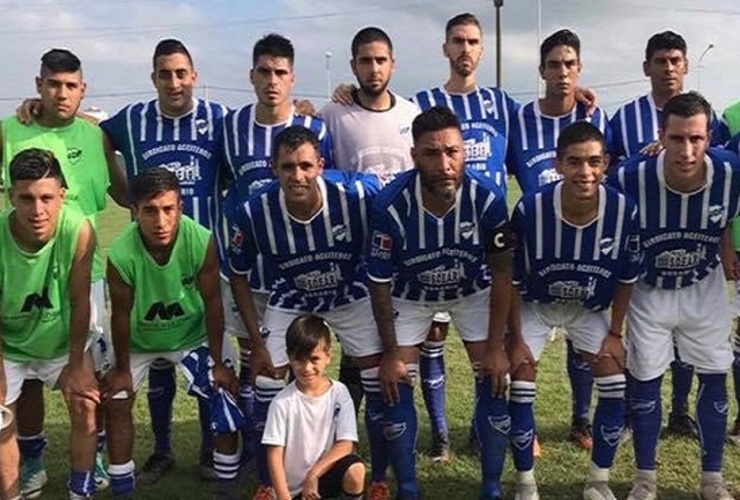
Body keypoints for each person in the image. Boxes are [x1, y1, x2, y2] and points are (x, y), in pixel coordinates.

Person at [99, 38, 231, 483]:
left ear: (194, 75)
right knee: (157, 360)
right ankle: (162, 450)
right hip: (149, 257)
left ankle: (215, 449)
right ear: (152, 78)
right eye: (163, 74)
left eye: (181, 73)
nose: (173, 82)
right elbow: (93, 133)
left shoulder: (219, 119)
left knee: (208, 354)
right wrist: (124, 193)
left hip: (204, 255)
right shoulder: (134, 120)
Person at [227, 126, 382, 500]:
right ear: (273, 169)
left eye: (306, 166)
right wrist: (255, 343)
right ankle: (269, 482)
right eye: (287, 167)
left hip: (349, 292)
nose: (297, 175)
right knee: (265, 378)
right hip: (292, 293)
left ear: (321, 166)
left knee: (379, 377)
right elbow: (238, 275)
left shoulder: (356, 195)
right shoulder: (253, 211)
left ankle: (379, 477)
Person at [366, 106, 513, 500]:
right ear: (414, 156)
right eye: (432, 153)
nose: (444, 163)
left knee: (496, 379)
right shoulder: (389, 205)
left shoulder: (488, 199)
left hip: (470, 292)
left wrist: (498, 348)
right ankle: (409, 489)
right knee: (395, 381)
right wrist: (393, 351)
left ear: (465, 151)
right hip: (411, 295)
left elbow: (502, 274)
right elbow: (379, 283)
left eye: (452, 151)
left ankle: (492, 488)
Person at [1, 48, 128, 498]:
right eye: (52, 84)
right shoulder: (11, 130)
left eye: (70, 85)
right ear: (38, 85)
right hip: (21, 269)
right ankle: (32, 459)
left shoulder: (95, 136)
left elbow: (122, 190)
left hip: (83, 270)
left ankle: (87, 459)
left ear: (83, 90)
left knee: (83, 373)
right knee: (27, 373)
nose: (61, 93)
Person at [608, 91, 740, 500]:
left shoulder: (732, 173)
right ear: (660, 136)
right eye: (677, 138)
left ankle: (712, 481)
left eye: (696, 139)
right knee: (645, 376)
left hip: (704, 283)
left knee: (715, 371)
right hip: (650, 288)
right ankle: (645, 480)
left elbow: (722, 218)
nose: (687, 150)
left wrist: (726, 247)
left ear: (710, 138)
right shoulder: (631, 176)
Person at [221, 33, 335, 474]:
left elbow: (333, 185)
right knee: (257, 359)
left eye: (281, 73)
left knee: (309, 359)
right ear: (252, 76)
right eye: (264, 72)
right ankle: (259, 449)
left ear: (293, 78)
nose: (272, 80)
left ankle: (314, 446)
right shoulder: (229, 126)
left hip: (303, 273)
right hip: (251, 270)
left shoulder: (319, 129)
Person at [609, 31, 731, 442]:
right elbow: (610, 172)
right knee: (647, 345)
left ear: (686, 65)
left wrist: (727, 245)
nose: (668, 68)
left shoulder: (707, 116)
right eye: (660, 61)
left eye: (675, 60)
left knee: (692, 338)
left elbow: (722, 187)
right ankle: (634, 416)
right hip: (648, 252)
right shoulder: (624, 117)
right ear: (648, 67)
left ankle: (680, 411)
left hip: (696, 250)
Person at [508, 122, 639, 500]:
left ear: (607, 164)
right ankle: (525, 485)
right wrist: (514, 339)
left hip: (588, 308)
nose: (585, 172)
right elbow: (513, 279)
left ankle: (597, 483)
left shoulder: (622, 209)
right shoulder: (532, 207)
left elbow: (628, 277)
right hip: (538, 304)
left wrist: (615, 333)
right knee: (521, 379)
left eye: (594, 162)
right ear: (558, 164)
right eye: (575, 162)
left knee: (615, 384)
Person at [104, 168, 241, 499]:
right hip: (138, 340)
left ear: (180, 206)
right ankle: (123, 490)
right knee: (117, 399)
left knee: (223, 392)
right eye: (150, 211)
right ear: (134, 211)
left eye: (168, 209)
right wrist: (122, 369)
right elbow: (120, 315)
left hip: (192, 335)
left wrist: (220, 362)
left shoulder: (200, 239)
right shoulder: (120, 253)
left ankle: (226, 489)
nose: (161, 221)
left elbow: (212, 304)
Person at [505, 28, 611, 452]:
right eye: (554, 65)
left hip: (585, 251)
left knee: (582, 342)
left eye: (570, 65)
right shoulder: (520, 119)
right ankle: (519, 428)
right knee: (523, 346)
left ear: (579, 69)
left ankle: (580, 421)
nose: (562, 73)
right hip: (536, 254)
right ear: (541, 70)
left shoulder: (595, 118)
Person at [0, 148, 98, 500]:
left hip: (61, 339)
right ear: (11, 195)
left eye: (46, 198)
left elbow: (79, 300)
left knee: (86, 403)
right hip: (8, 344)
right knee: (0, 420)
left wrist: (76, 364)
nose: (37, 210)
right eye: (25, 198)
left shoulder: (78, 230)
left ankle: (80, 490)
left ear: (62, 195)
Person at [263, 314, 365, 500]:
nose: (307, 367)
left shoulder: (339, 393)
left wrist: (314, 474)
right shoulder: (282, 402)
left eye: (314, 359)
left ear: (328, 356)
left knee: (356, 470)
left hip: (322, 477)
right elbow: (274, 455)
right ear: (289, 358)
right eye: (299, 360)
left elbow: (346, 444)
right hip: (294, 491)